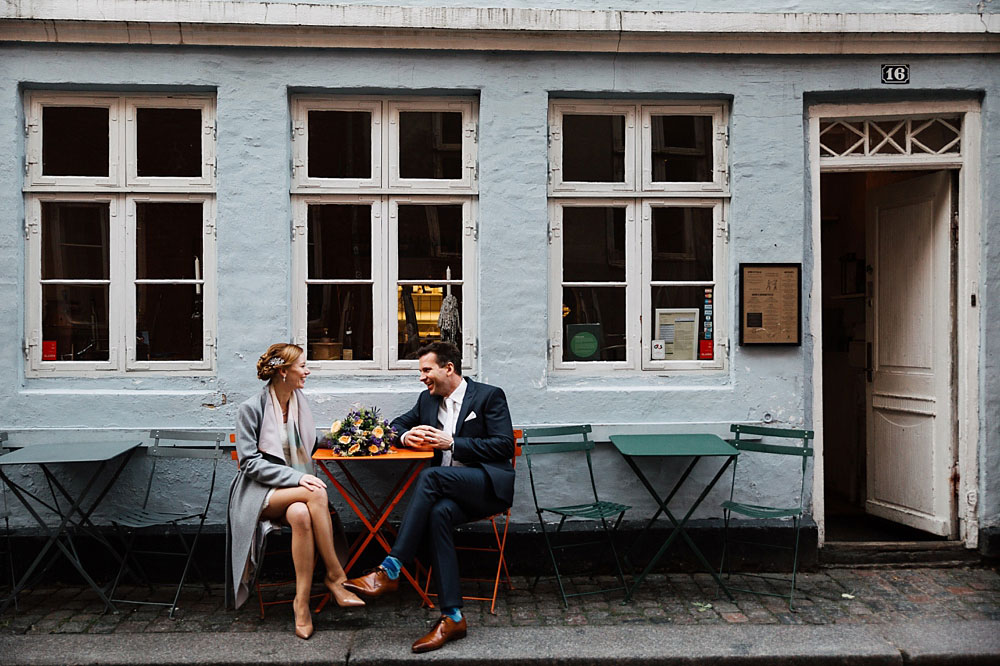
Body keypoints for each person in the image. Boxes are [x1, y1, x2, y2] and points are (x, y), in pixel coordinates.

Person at [343, 341, 514, 653]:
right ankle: (453, 617)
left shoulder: (489, 396)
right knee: (438, 514)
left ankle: (391, 568)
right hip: (449, 489)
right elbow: (395, 426)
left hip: (486, 486)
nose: (421, 377)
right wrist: (407, 435)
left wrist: (452, 443)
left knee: (430, 476)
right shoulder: (427, 400)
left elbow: (503, 445)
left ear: (448, 368)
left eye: (426, 370)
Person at [226, 343, 364, 640]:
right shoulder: (251, 408)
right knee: (315, 493)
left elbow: (308, 444)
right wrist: (297, 478)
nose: (307, 370)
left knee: (302, 514)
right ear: (283, 371)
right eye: (302, 366)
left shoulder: (299, 402)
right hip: (259, 494)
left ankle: (301, 604)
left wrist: (349, 440)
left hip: (295, 495)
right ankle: (336, 576)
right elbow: (249, 463)